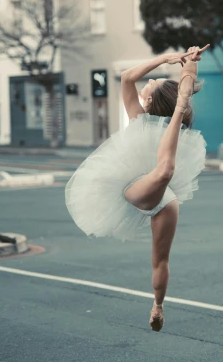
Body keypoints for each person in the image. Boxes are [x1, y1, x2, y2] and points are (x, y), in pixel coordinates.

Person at [65, 45, 209, 332]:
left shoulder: (141, 119)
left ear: (151, 99)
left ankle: (158, 306)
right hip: (146, 190)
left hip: (158, 191)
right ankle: (158, 304)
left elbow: (130, 78)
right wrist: (169, 60)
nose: (148, 82)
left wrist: (181, 81)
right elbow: (127, 76)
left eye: (152, 83)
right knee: (164, 173)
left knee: (161, 258)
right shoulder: (139, 118)